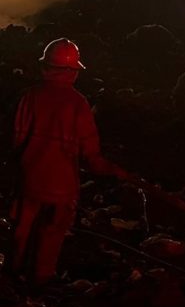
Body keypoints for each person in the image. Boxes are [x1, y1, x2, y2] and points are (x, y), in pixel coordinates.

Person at [11, 38, 130, 283]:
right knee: (53, 231)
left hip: (30, 178)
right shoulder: (78, 103)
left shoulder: (30, 97)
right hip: (62, 184)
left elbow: (17, 139)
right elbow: (91, 154)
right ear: (72, 71)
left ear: (46, 67)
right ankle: (41, 279)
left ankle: (13, 273)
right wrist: (115, 171)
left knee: (22, 228)